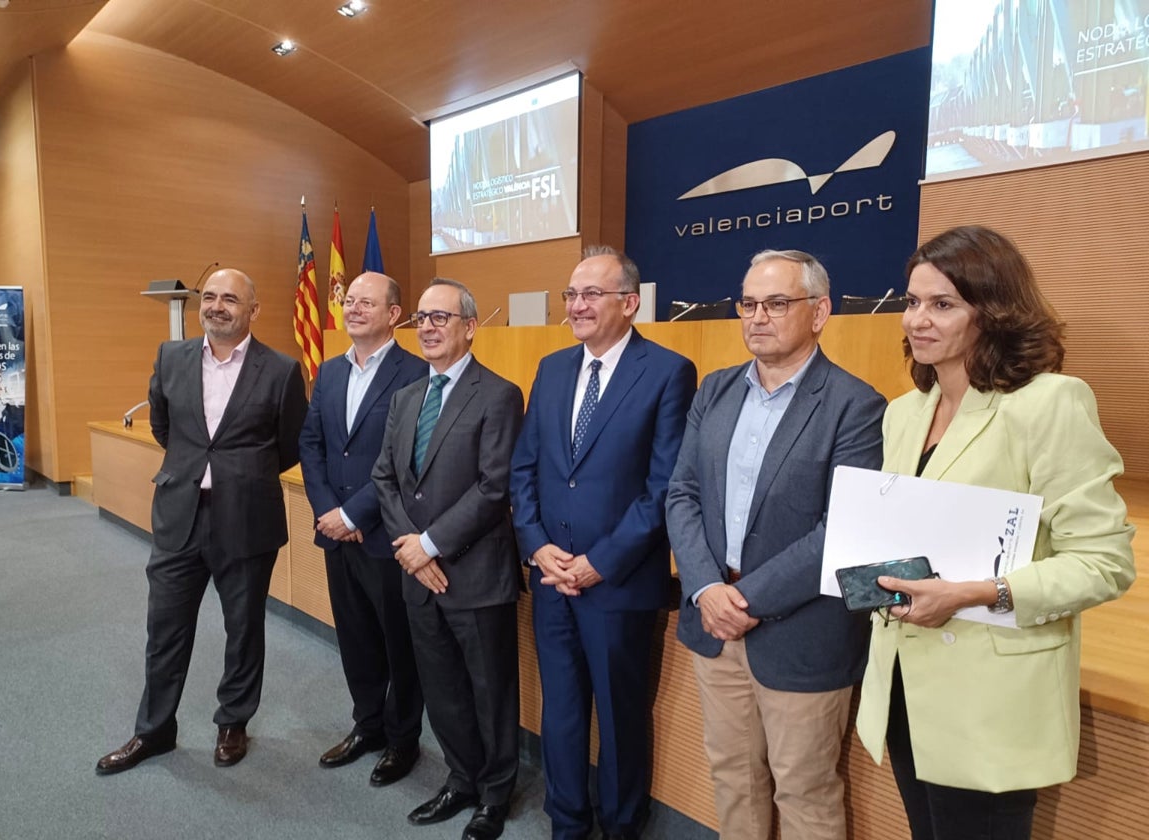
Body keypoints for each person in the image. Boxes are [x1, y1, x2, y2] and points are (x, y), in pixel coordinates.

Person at [855, 225, 1137, 840]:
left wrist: (977, 592)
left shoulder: (1049, 403)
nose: (917, 321)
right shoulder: (906, 413)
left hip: (989, 701)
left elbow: (1104, 561)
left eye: (943, 304)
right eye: (911, 301)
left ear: (996, 313)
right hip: (906, 683)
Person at [665, 250, 886, 840]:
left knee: (804, 791)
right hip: (715, 624)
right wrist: (708, 588)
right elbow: (681, 493)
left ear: (819, 313)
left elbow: (839, 528)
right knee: (732, 777)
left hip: (801, 632)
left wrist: (745, 600)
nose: (758, 316)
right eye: (748, 303)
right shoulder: (714, 390)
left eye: (777, 303)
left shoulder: (856, 405)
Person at [509, 246, 697, 840]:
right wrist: (536, 546)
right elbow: (527, 468)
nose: (577, 305)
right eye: (571, 295)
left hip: (617, 583)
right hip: (550, 578)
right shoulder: (552, 368)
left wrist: (599, 563)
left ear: (630, 303)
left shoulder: (668, 372)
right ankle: (567, 822)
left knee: (619, 719)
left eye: (591, 294)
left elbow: (663, 487)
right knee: (560, 713)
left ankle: (620, 826)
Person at [96, 268, 307, 774]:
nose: (216, 306)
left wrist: (237, 475)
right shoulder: (172, 357)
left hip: (246, 517)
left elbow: (289, 445)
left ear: (252, 310)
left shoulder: (280, 369)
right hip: (180, 516)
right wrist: (198, 470)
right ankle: (154, 731)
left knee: (243, 628)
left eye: (230, 299)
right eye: (209, 297)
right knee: (164, 628)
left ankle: (233, 722)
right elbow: (165, 426)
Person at [372, 278, 524, 840]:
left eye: (441, 317)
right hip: (419, 575)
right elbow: (384, 478)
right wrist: (413, 552)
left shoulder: (499, 394)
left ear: (470, 326)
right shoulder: (407, 396)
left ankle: (494, 794)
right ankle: (461, 778)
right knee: (441, 688)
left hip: (476, 575)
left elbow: (493, 487)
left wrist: (429, 545)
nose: (429, 328)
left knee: (490, 691)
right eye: (421, 318)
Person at [298, 271, 426, 784]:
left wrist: (355, 515)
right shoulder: (328, 372)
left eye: (365, 302)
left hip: (386, 536)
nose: (352, 309)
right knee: (354, 639)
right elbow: (312, 446)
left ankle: (402, 741)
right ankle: (367, 725)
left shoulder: (417, 372)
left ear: (394, 313)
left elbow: (408, 461)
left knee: (400, 645)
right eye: (348, 301)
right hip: (335, 535)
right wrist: (331, 512)